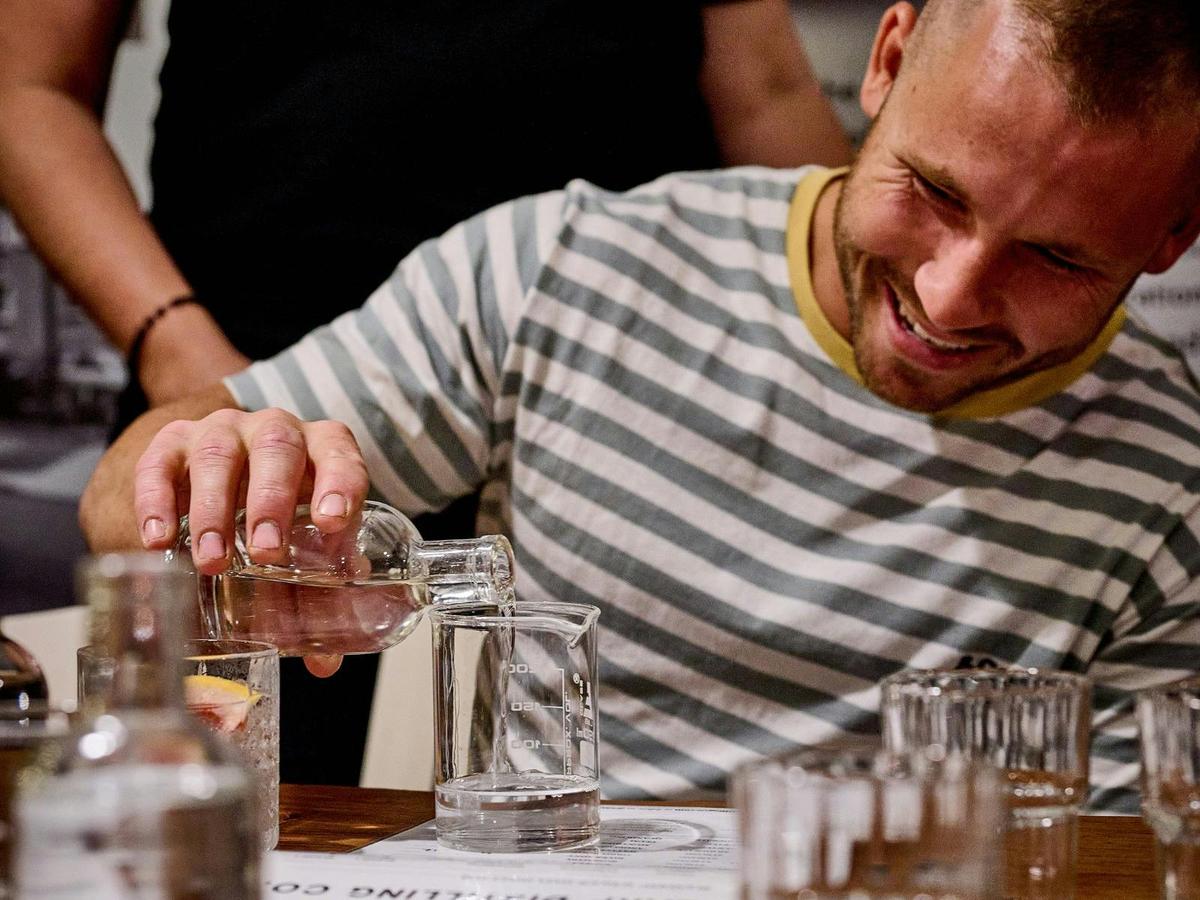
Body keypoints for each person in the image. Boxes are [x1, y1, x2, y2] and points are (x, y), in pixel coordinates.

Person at [80, 0, 1200, 811]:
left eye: (1054, 257)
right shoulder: (561, 266)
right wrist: (214, 478)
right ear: (888, 59)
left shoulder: (1174, 485)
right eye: (933, 190)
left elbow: (1101, 871)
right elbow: (122, 501)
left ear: (1173, 236)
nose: (948, 299)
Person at [0, 0, 851, 784]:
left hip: (593, 398)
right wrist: (188, 364)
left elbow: (767, 91)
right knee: (243, 806)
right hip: (269, 399)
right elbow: (26, 82)